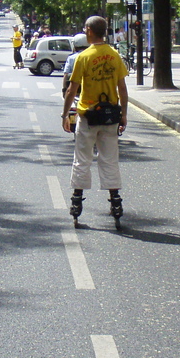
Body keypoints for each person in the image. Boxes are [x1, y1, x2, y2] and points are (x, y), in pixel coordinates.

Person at [61, 15, 128, 221]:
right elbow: (122, 88)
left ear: (89, 30)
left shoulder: (83, 57)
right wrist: (124, 114)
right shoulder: (114, 55)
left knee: (82, 159)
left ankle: (77, 198)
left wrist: (65, 114)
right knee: (109, 159)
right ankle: (115, 199)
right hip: (110, 116)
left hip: (88, 115)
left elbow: (72, 90)